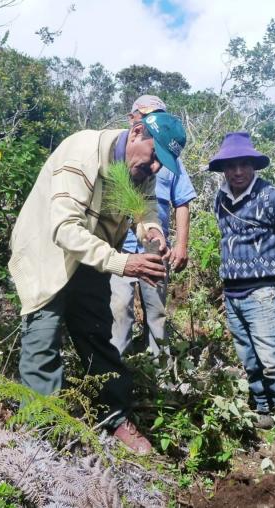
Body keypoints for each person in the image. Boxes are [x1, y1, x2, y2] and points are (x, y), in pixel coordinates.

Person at [8, 112, 187, 455]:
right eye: (153, 158)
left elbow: (146, 208)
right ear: (136, 133)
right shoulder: (83, 154)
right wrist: (125, 263)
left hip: (94, 255)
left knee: (98, 336)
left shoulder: (140, 169)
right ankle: (41, 441)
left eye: (161, 165)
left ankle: (116, 418)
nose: (153, 170)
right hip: (49, 255)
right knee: (42, 343)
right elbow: (64, 230)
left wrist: (153, 231)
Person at [209, 132, 275, 429]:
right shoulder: (220, 198)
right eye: (231, 165)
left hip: (263, 292)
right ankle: (264, 411)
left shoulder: (273, 197)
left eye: (244, 164)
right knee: (249, 358)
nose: (238, 171)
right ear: (224, 169)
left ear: (254, 165)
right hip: (232, 292)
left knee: (273, 358)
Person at [110, 95, 197, 359]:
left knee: (157, 311)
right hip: (119, 247)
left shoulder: (171, 159)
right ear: (133, 119)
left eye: (158, 115)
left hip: (154, 246)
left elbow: (181, 201)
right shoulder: (116, 150)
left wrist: (180, 245)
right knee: (119, 309)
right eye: (146, 115)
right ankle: (117, 370)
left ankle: (159, 372)